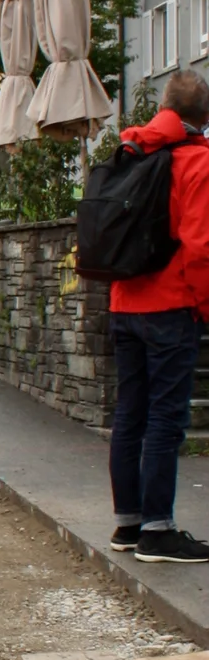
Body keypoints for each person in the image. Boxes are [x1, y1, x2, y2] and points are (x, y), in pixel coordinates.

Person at [108, 68, 209, 563]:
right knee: (167, 419)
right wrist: (205, 306)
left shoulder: (133, 149)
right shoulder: (197, 163)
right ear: (203, 119)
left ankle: (128, 524)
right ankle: (158, 531)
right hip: (170, 306)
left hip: (125, 301)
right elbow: (200, 247)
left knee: (130, 414)